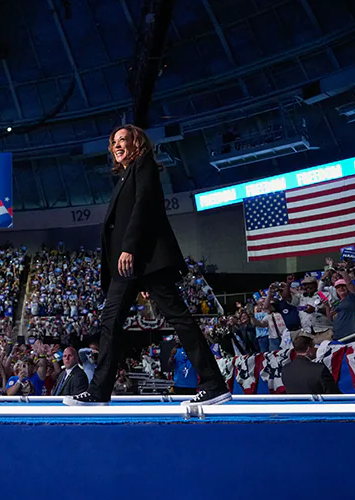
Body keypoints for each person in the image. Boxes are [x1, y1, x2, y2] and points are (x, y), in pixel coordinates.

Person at [64, 124, 230, 407]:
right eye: (113, 141)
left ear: (136, 143)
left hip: (143, 260)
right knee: (110, 322)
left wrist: (129, 247)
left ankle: (214, 384)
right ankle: (99, 392)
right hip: (128, 270)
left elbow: (143, 208)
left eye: (123, 140)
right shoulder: (127, 174)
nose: (117, 145)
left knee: (179, 318)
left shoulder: (145, 166)